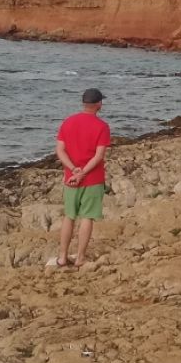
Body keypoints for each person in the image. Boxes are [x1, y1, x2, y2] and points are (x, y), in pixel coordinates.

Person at [53, 87, 111, 268]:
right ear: (99, 104)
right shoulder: (102, 126)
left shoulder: (68, 122)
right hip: (92, 179)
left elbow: (60, 150)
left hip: (70, 178)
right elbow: (99, 156)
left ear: (84, 103)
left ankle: (62, 257)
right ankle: (80, 258)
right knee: (87, 217)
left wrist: (73, 170)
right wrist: (83, 173)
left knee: (69, 216)